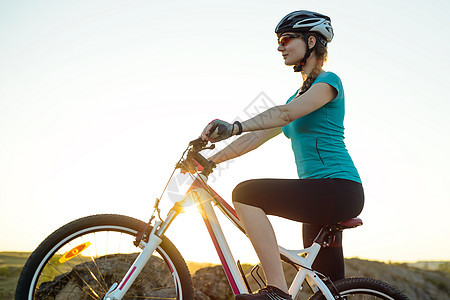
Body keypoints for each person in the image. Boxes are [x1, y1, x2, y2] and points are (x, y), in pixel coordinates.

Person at [200, 10, 364, 300]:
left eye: (287, 39)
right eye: (279, 40)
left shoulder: (328, 83)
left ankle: (276, 289)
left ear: (312, 41)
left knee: (247, 193)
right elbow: (257, 136)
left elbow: (284, 114)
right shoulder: (295, 97)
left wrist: (234, 125)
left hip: (338, 188)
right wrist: (211, 160)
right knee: (328, 292)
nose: (280, 46)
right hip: (321, 196)